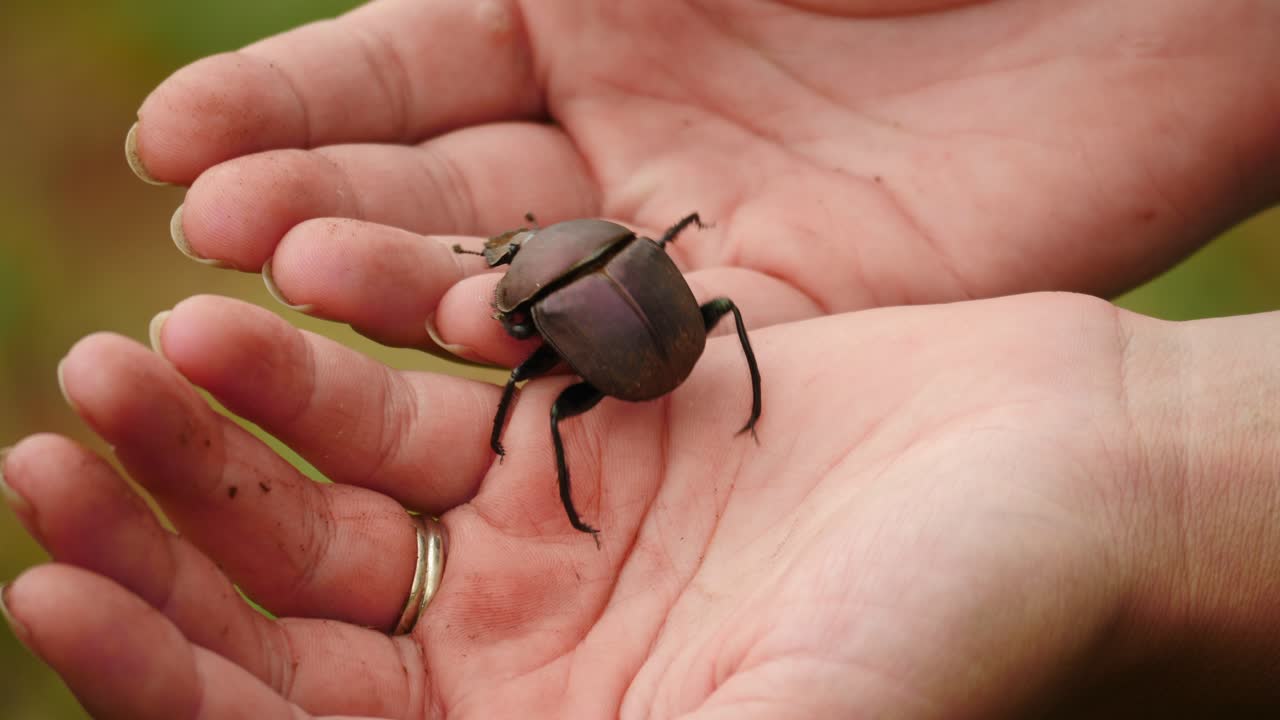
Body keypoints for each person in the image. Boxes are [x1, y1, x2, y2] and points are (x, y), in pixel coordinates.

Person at [3, 0, 1279, 716]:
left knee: (542, 417)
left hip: (637, 351)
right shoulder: (617, 249)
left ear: (541, 257)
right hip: (673, 342)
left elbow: (511, 326)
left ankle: (557, 483)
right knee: (651, 350)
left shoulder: (531, 299)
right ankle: (671, 434)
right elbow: (558, 290)